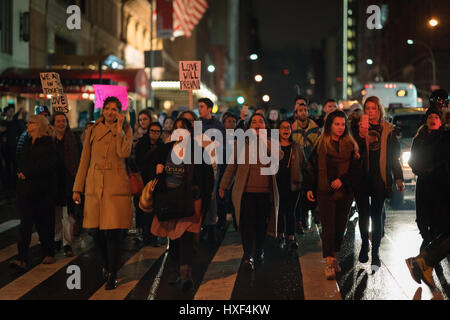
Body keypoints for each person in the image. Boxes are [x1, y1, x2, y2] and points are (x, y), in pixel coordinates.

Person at [73, 96, 133, 290]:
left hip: (115, 186)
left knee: (112, 233)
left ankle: (113, 273)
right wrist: (77, 188)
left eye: (114, 109)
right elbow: (84, 160)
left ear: (119, 112)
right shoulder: (92, 129)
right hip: (94, 185)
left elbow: (123, 153)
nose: (110, 112)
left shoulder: (125, 129)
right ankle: (107, 265)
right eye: (107, 108)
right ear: (102, 110)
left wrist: (119, 130)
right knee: (96, 232)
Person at [151, 118, 214, 292]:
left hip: (191, 201)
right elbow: (148, 165)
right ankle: (175, 269)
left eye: (183, 129)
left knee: (186, 238)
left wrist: (205, 200)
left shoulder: (199, 152)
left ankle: (186, 274)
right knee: (174, 238)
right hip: (170, 201)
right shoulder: (165, 150)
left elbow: (208, 179)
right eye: (176, 130)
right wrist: (158, 168)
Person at [219, 113, 280, 272]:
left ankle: (259, 250)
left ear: (265, 126)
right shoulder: (241, 143)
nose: (257, 124)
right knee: (246, 225)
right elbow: (231, 167)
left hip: (265, 193)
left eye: (261, 121)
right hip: (245, 192)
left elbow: (280, 156)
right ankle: (247, 255)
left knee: (261, 225)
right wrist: (223, 186)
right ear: (249, 126)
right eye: (254, 122)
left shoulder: (271, 142)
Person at [304, 110, 361, 280]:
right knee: (328, 227)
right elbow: (311, 167)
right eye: (337, 124)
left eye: (343, 124)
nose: (340, 127)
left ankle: (334, 257)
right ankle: (329, 262)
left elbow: (356, 169)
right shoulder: (321, 144)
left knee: (340, 228)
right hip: (324, 191)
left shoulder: (351, 145)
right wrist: (309, 188)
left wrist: (342, 180)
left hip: (345, 192)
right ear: (330, 126)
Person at [351, 96, 404, 272]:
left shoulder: (387, 130)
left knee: (377, 214)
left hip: (379, 178)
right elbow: (353, 152)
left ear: (379, 110)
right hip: (361, 178)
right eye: (368, 108)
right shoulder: (357, 128)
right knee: (363, 214)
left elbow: (393, 157)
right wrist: (360, 134)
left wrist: (399, 178)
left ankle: (375, 253)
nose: (371, 111)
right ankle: (365, 243)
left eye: (374, 108)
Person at [9, 115, 57, 269]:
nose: (27, 125)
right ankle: (22, 257)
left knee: (44, 223)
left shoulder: (48, 144)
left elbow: (46, 166)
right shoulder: (28, 142)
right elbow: (21, 160)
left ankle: (49, 252)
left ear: (39, 126)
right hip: (26, 190)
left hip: (42, 191)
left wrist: (27, 174)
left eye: (31, 123)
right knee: (25, 225)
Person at [51, 112, 81, 257]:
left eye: (63, 121)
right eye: (58, 121)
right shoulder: (49, 140)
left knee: (68, 215)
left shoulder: (73, 139)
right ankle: (56, 240)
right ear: (53, 123)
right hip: (54, 181)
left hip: (69, 180)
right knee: (56, 213)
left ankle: (67, 243)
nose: (61, 124)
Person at [198, 98, 226, 243]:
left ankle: (211, 228)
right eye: (199, 106)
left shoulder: (218, 126)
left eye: (202, 106)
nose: (200, 109)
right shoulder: (198, 124)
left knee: (212, 196)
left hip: (213, 165)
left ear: (209, 108)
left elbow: (220, 147)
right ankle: (202, 226)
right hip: (199, 165)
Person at [291, 96, 320, 233]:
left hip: (312, 164)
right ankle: (299, 221)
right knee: (298, 194)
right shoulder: (291, 128)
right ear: (296, 113)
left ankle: (315, 214)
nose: (303, 112)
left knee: (312, 190)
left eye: (305, 110)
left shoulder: (315, 128)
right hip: (297, 165)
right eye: (300, 110)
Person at [134, 121, 164, 246]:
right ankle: (144, 234)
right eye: (152, 131)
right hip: (142, 180)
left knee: (153, 210)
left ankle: (152, 236)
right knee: (142, 208)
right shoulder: (141, 144)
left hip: (155, 181)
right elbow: (137, 161)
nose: (154, 134)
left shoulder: (162, 146)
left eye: (157, 131)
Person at [276, 120, 303, 253]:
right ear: (278, 131)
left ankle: (291, 238)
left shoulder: (296, 146)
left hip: (293, 184)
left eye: (288, 127)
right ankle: (280, 235)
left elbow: (304, 163)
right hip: (278, 184)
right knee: (280, 210)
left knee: (291, 210)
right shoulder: (274, 146)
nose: (286, 130)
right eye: (282, 127)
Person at [130, 109, 153, 244]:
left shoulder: (154, 134)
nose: (142, 122)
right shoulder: (134, 135)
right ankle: (141, 231)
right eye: (140, 120)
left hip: (150, 175)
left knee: (149, 204)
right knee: (138, 204)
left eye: (145, 119)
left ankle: (150, 232)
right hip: (138, 175)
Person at [0, 105, 26, 194]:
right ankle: (8, 185)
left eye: (12, 111)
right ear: (6, 112)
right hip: (5, 148)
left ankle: (15, 185)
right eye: (10, 111)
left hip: (14, 147)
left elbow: (22, 130)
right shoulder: (3, 122)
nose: (11, 113)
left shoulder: (16, 122)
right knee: (7, 167)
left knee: (15, 166)